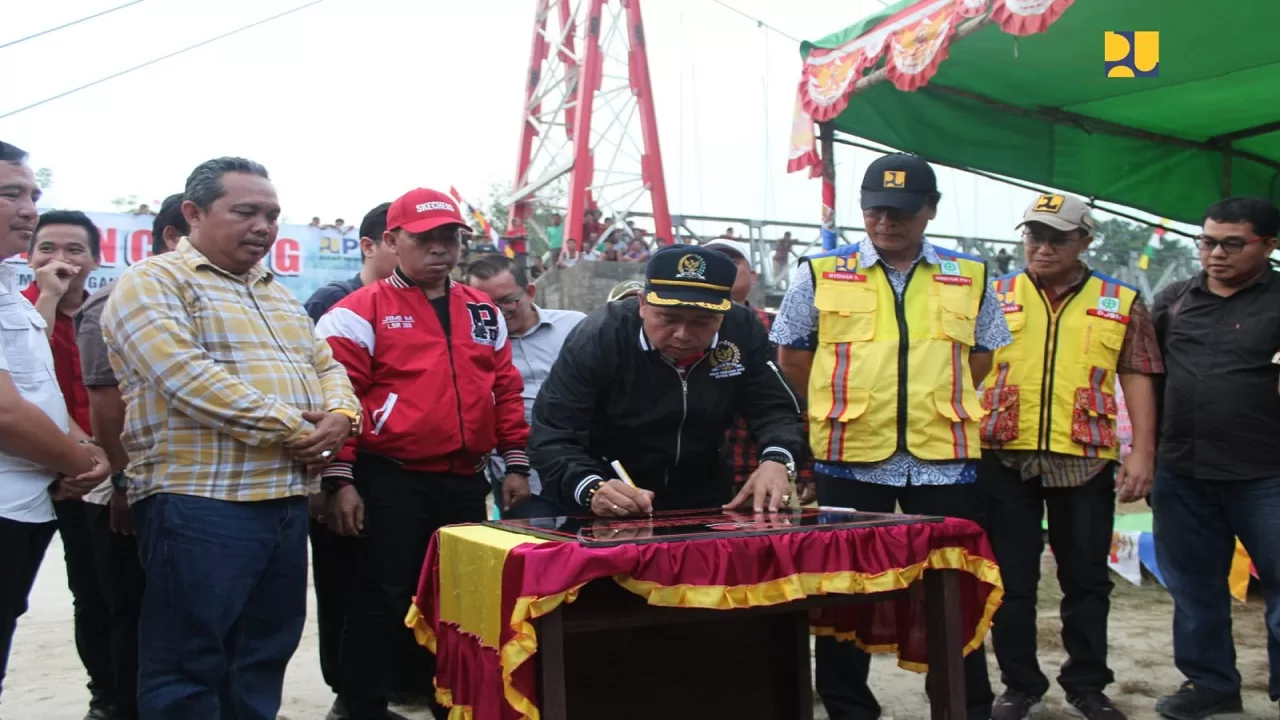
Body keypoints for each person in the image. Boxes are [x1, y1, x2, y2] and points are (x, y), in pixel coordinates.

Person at [101, 156, 360, 719]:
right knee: (188, 663)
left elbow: (326, 364)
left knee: (261, 655)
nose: (263, 226)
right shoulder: (151, 283)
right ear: (193, 213)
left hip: (283, 502)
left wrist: (342, 415)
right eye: (245, 211)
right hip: (198, 502)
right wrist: (297, 430)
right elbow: (187, 378)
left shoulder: (275, 292)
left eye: (271, 214)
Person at [771, 153, 1009, 720]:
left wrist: (935, 398)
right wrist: (842, 404)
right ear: (861, 208)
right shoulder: (820, 271)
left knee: (952, 586)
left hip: (943, 458)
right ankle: (850, 708)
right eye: (876, 209)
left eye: (902, 211)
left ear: (929, 211)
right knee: (842, 588)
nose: (887, 222)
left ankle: (964, 705)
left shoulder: (969, 275)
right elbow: (792, 354)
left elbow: (982, 355)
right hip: (851, 455)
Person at [315, 188, 531, 720]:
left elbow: (503, 387)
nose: (440, 249)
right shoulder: (354, 313)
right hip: (388, 476)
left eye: (449, 238)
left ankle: (450, 701)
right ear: (392, 241)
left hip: (464, 479)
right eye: (424, 238)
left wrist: (517, 463)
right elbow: (336, 399)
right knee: (381, 595)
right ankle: (359, 705)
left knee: (459, 600)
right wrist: (340, 480)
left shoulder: (482, 310)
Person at [978, 194, 1163, 720]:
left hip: (1084, 456)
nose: (1042, 246)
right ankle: (1019, 685)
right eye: (1034, 235)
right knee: (1010, 579)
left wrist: (1142, 452)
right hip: (1001, 452)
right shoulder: (993, 295)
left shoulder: (1120, 300)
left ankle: (1087, 685)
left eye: (1057, 237)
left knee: (1085, 579)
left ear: (1085, 240)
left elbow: (1139, 373)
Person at [531, 244, 806, 518]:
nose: (683, 335)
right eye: (668, 318)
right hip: (610, 488)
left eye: (702, 321)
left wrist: (778, 459)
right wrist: (590, 488)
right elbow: (553, 432)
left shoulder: (742, 329)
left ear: (723, 313)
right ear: (642, 304)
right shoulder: (601, 335)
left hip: (704, 492)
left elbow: (775, 408)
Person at [1149, 197, 1280, 720]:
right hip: (1182, 472)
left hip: (1267, 475)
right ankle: (1210, 685)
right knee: (1195, 589)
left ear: (1268, 245)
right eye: (1206, 241)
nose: (1215, 253)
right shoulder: (1174, 299)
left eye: (1232, 243)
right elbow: (1148, 377)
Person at [0, 141, 111, 714]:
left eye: (31, 195)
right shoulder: (24, 297)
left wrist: (85, 449)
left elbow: (36, 390)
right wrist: (84, 462)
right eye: (10, 194)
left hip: (34, 498)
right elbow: (7, 411)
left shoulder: (10, 296)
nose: (26, 208)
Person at [73, 193, 187, 720]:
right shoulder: (118, 299)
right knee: (131, 611)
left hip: (185, 484)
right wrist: (123, 484)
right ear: (172, 236)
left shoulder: (214, 296)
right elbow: (106, 406)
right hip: (129, 487)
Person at [301, 201, 416, 720]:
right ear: (377, 245)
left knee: (397, 585)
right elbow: (324, 392)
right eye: (407, 237)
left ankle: (387, 687)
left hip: (411, 476)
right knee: (351, 587)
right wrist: (333, 477)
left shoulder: (436, 303)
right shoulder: (338, 303)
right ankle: (351, 698)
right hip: (351, 465)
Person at [20, 208, 118, 719]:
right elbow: (26, 390)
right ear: (28, 256)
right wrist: (50, 297)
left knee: (98, 591)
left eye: (75, 250)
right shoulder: (19, 313)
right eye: (48, 249)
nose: (61, 260)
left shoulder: (112, 314)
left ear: (97, 259)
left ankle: (106, 695)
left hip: (97, 476)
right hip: (36, 473)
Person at [466, 253, 585, 518]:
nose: (498, 312)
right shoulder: (470, 348)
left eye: (508, 300)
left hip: (582, 467)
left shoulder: (576, 327)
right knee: (531, 553)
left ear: (530, 291)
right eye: (487, 304)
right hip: (519, 477)